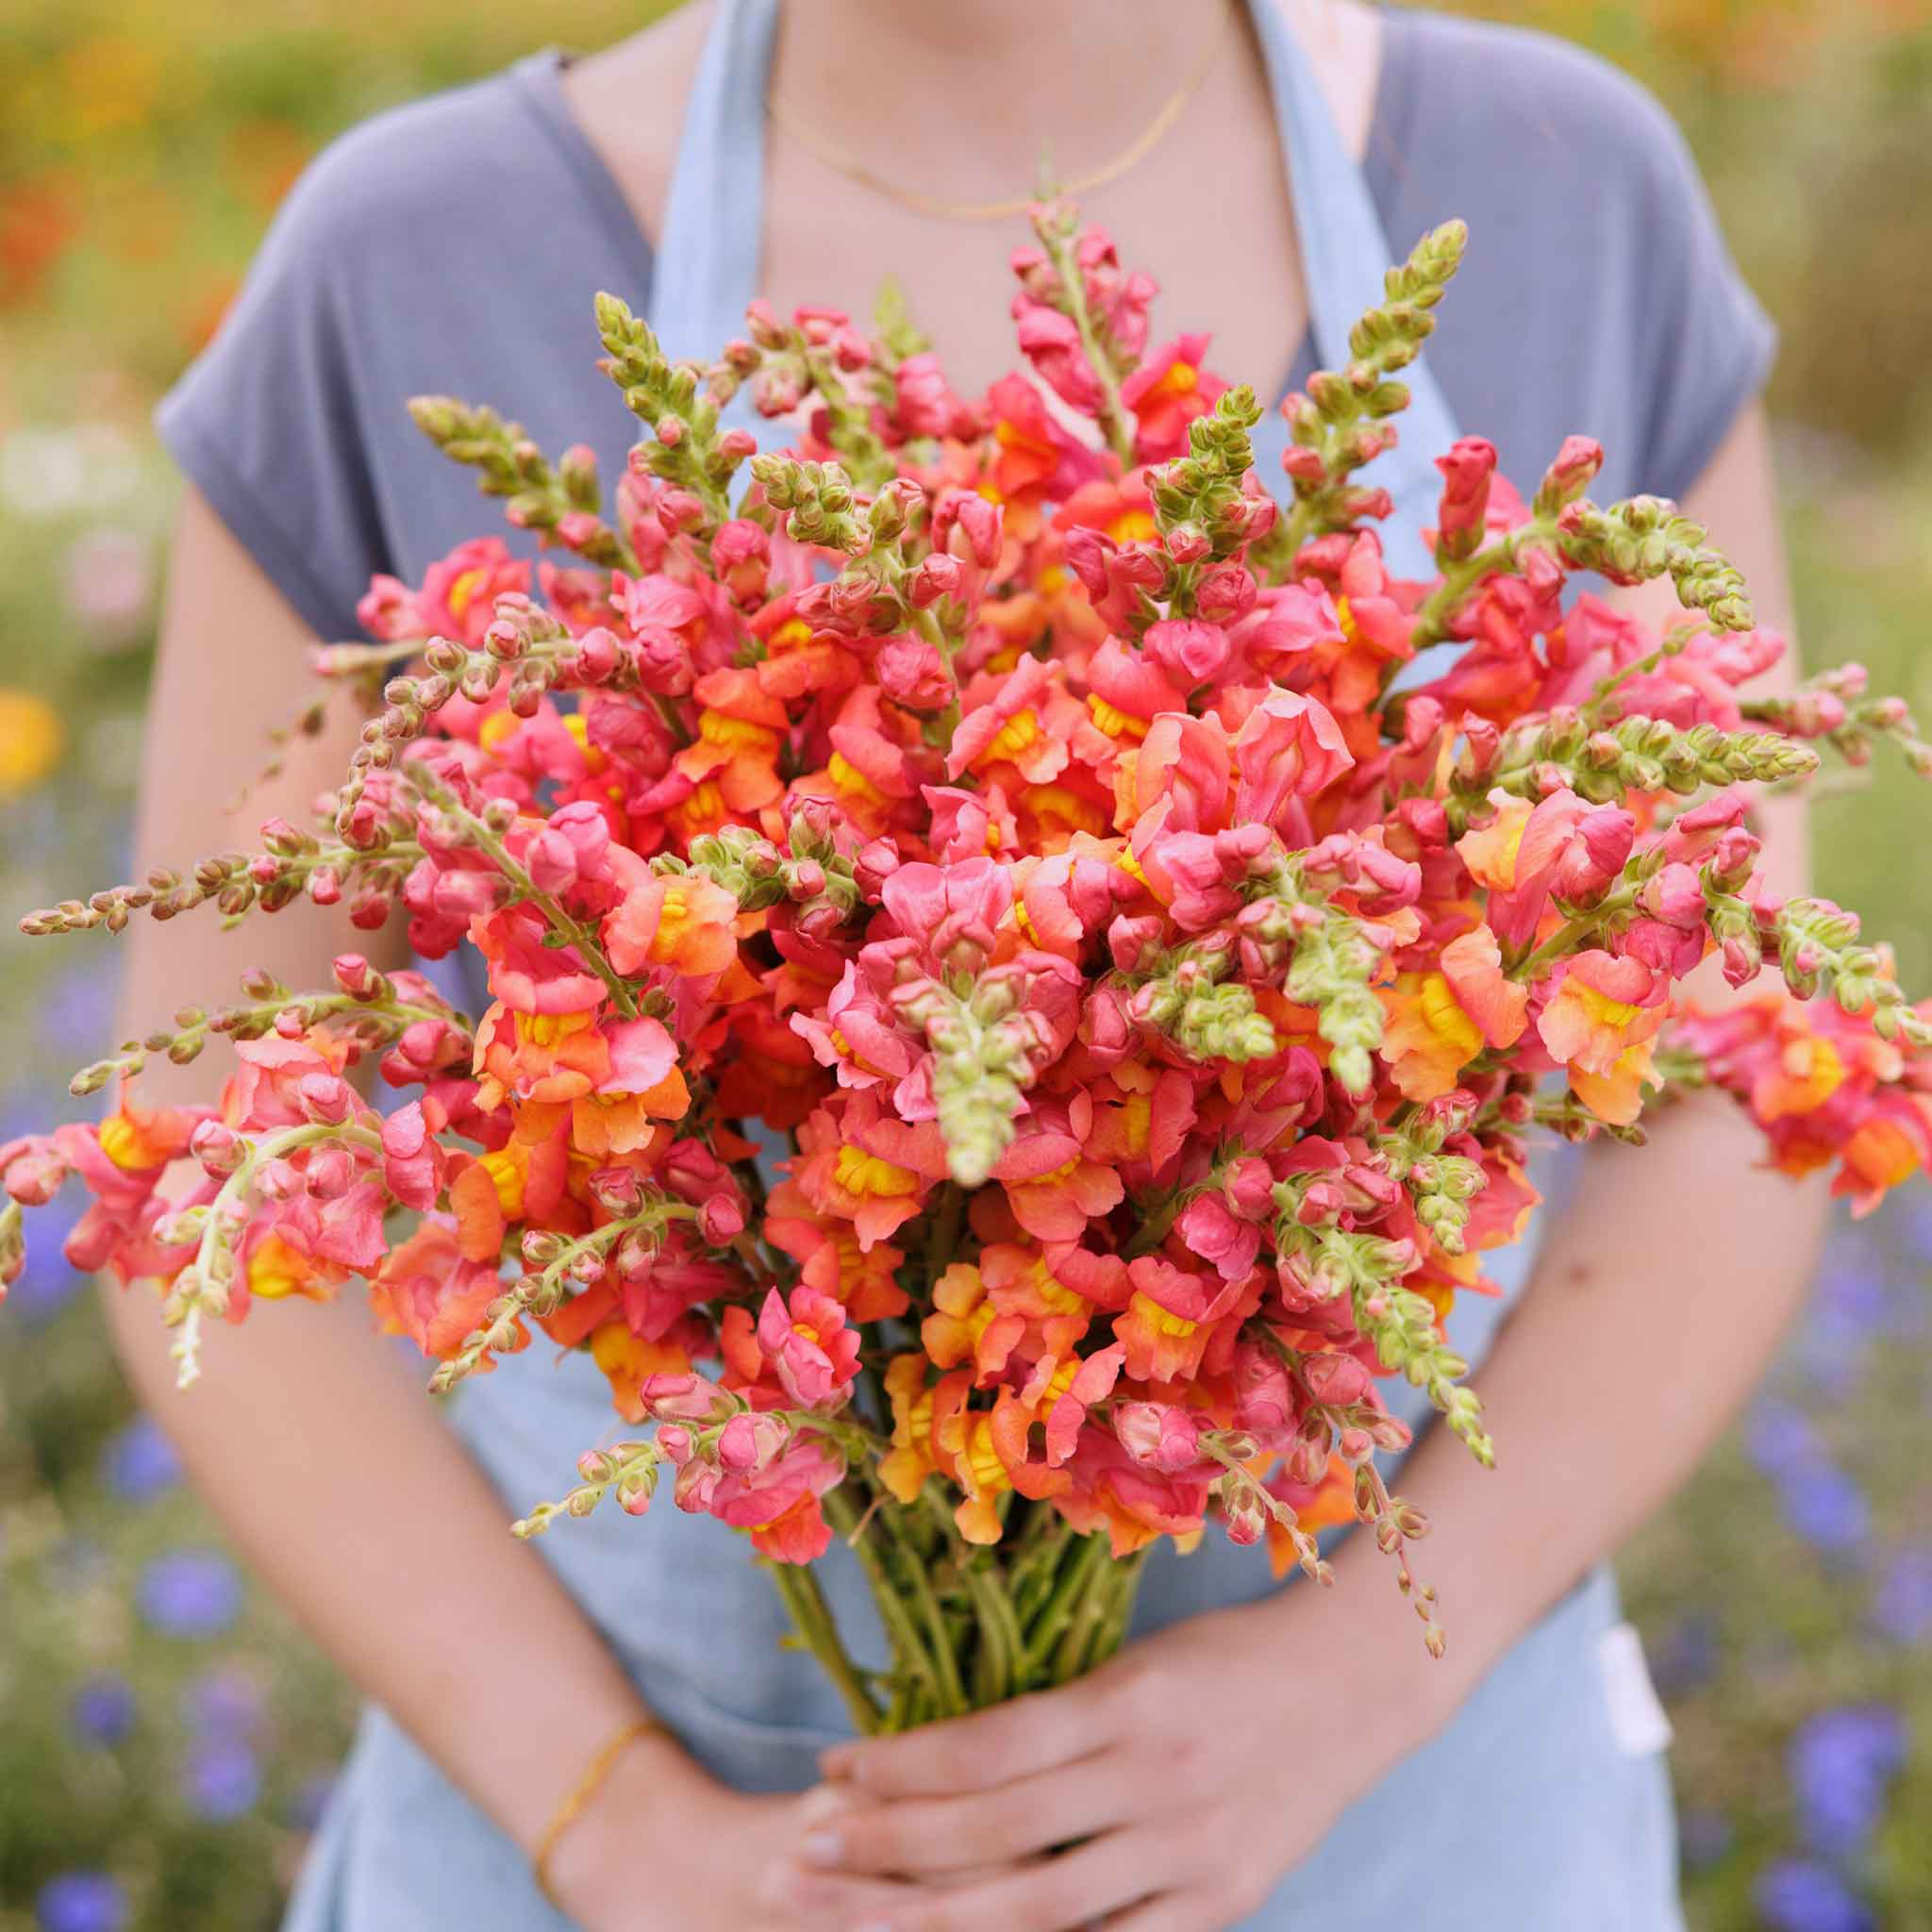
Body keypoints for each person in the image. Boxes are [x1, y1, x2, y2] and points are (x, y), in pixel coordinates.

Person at [123, 1, 1825, 1925]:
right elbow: (206, 1157)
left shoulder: (1558, 191)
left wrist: (1366, 1671)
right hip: (652, 1831)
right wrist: (611, 1815)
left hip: (1406, 1814)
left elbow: (1739, 1075)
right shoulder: (421, 258)